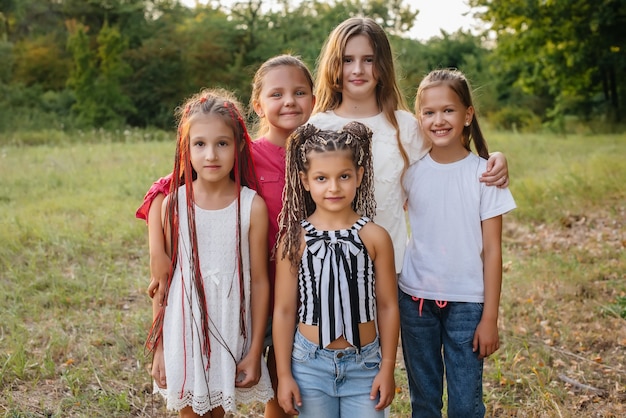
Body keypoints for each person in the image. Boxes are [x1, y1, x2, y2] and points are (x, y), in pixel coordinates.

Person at [308, 16, 510, 278]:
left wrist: (496, 157)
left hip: (391, 268)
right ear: (334, 64)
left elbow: (451, 153)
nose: (358, 69)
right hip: (332, 268)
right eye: (348, 60)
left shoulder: (407, 127)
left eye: (368, 60)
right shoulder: (317, 127)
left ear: (383, 66)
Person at [145, 88, 274, 417]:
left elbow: (259, 281)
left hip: (231, 327)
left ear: (239, 145)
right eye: (199, 144)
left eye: (222, 143)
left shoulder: (251, 206)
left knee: (218, 412)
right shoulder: (175, 204)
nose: (211, 155)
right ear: (185, 149)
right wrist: (159, 348)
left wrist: (255, 347)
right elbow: (164, 282)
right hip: (184, 326)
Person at [398, 68, 516, 417]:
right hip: (416, 299)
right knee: (424, 401)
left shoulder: (485, 175)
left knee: (465, 404)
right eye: (429, 112)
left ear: (468, 115)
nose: (439, 120)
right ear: (419, 119)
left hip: (467, 304)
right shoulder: (410, 172)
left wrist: (489, 318)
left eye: (448, 110)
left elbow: (493, 250)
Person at [272, 122, 399, 418]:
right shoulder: (294, 240)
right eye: (321, 178)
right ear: (304, 181)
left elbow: (388, 305)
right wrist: (284, 375)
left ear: (359, 176)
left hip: (365, 366)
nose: (333, 187)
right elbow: (284, 310)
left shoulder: (375, 237)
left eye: (344, 176)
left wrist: (387, 367)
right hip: (309, 365)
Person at [248, 54, 316, 418]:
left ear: (314, 101)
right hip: (267, 289)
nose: (289, 100)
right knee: (278, 385)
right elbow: (173, 182)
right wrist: (158, 254)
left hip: (315, 290)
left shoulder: (327, 151)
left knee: (304, 389)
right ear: (258, 105)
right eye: (277, 94)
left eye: (299, 92)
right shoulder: (247, 155)